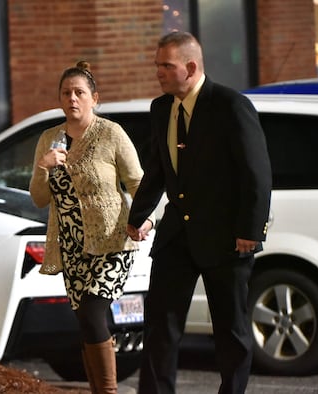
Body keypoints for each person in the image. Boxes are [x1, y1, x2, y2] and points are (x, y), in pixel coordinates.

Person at [127, 32, 272, 394]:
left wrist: (250, 231)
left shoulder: (230, 105)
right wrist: (136, 216)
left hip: (226, 238)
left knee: (231, 331)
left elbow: (256, 172)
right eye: (157, 64)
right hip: (176, 234)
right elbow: (159, 169)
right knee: (160, 327)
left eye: (166, 65)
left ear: (190, 68)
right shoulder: (161, 109)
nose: (158, 72)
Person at [29, 61, 154, 394]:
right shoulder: (48, 140)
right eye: (66, 93)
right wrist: (44, 167)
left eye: (79, 93)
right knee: (85, 320)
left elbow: (139, 183)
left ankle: (109, 391)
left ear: (94, 98)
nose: (72, 98)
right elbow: (40, 199)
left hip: (112, 241)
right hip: (71, 246)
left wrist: (147, 219)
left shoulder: (110, 133)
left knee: (93, 310)